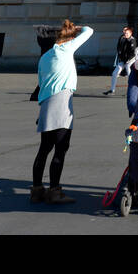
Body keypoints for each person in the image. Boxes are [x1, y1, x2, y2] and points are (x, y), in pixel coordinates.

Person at [31, 19, 93, 204]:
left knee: (44, 149)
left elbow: (40, 83)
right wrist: (77, 28)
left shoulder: (45, 56)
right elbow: (89, 30)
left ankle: (36, 189)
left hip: (46, 103)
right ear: (70, 38)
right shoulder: (66, 49)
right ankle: (55, 191)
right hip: (61, 102)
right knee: (60, 149)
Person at [104, 27, 138, 95]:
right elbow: (119, 48)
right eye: (125, 33)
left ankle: (132, 90)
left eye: (127, 33)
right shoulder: (122, 38)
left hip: (131, 59)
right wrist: (120, 56)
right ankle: (112, 90)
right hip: (123, 60)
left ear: (130, 33)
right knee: (114, 73)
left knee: (129, 72)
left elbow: (133, 52)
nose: (125, 34)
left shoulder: (132, 40)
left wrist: (128, 60)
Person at [29, 25, 58, 101]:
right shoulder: (51, 42)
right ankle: (37, 95)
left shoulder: (42, 40)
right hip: (50, 62)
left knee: (44, 79)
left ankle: (38, 95)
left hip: (43, 61)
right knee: (47, 79)